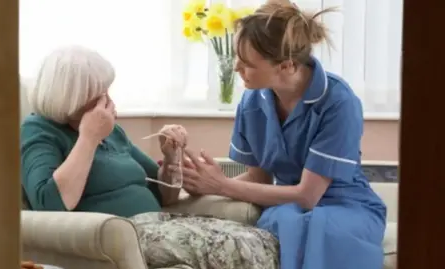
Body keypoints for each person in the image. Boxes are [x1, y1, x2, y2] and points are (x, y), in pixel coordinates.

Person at [20, 46, 279, 269]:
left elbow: (163, 194)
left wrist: (170, 157)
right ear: (71, 97)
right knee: (237, 249)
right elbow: (51, 204)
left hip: (158, 223)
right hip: (129, 234)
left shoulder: (111, 133)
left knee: (262, 240)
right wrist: (88, 137)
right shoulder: (40, 131)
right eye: (99, 94)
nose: (108, 101)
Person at [181, 2, 387, 269]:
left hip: (347, 206)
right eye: (236, 59)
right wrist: (202, 183)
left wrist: (222, 185)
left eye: (247, 64)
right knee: (286, 220)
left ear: (287, 66)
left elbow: (307, 196)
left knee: (322, 228)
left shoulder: (338, 101)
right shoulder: (252, 102)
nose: (235, 69)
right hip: (289, 206)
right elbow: (259, 178)